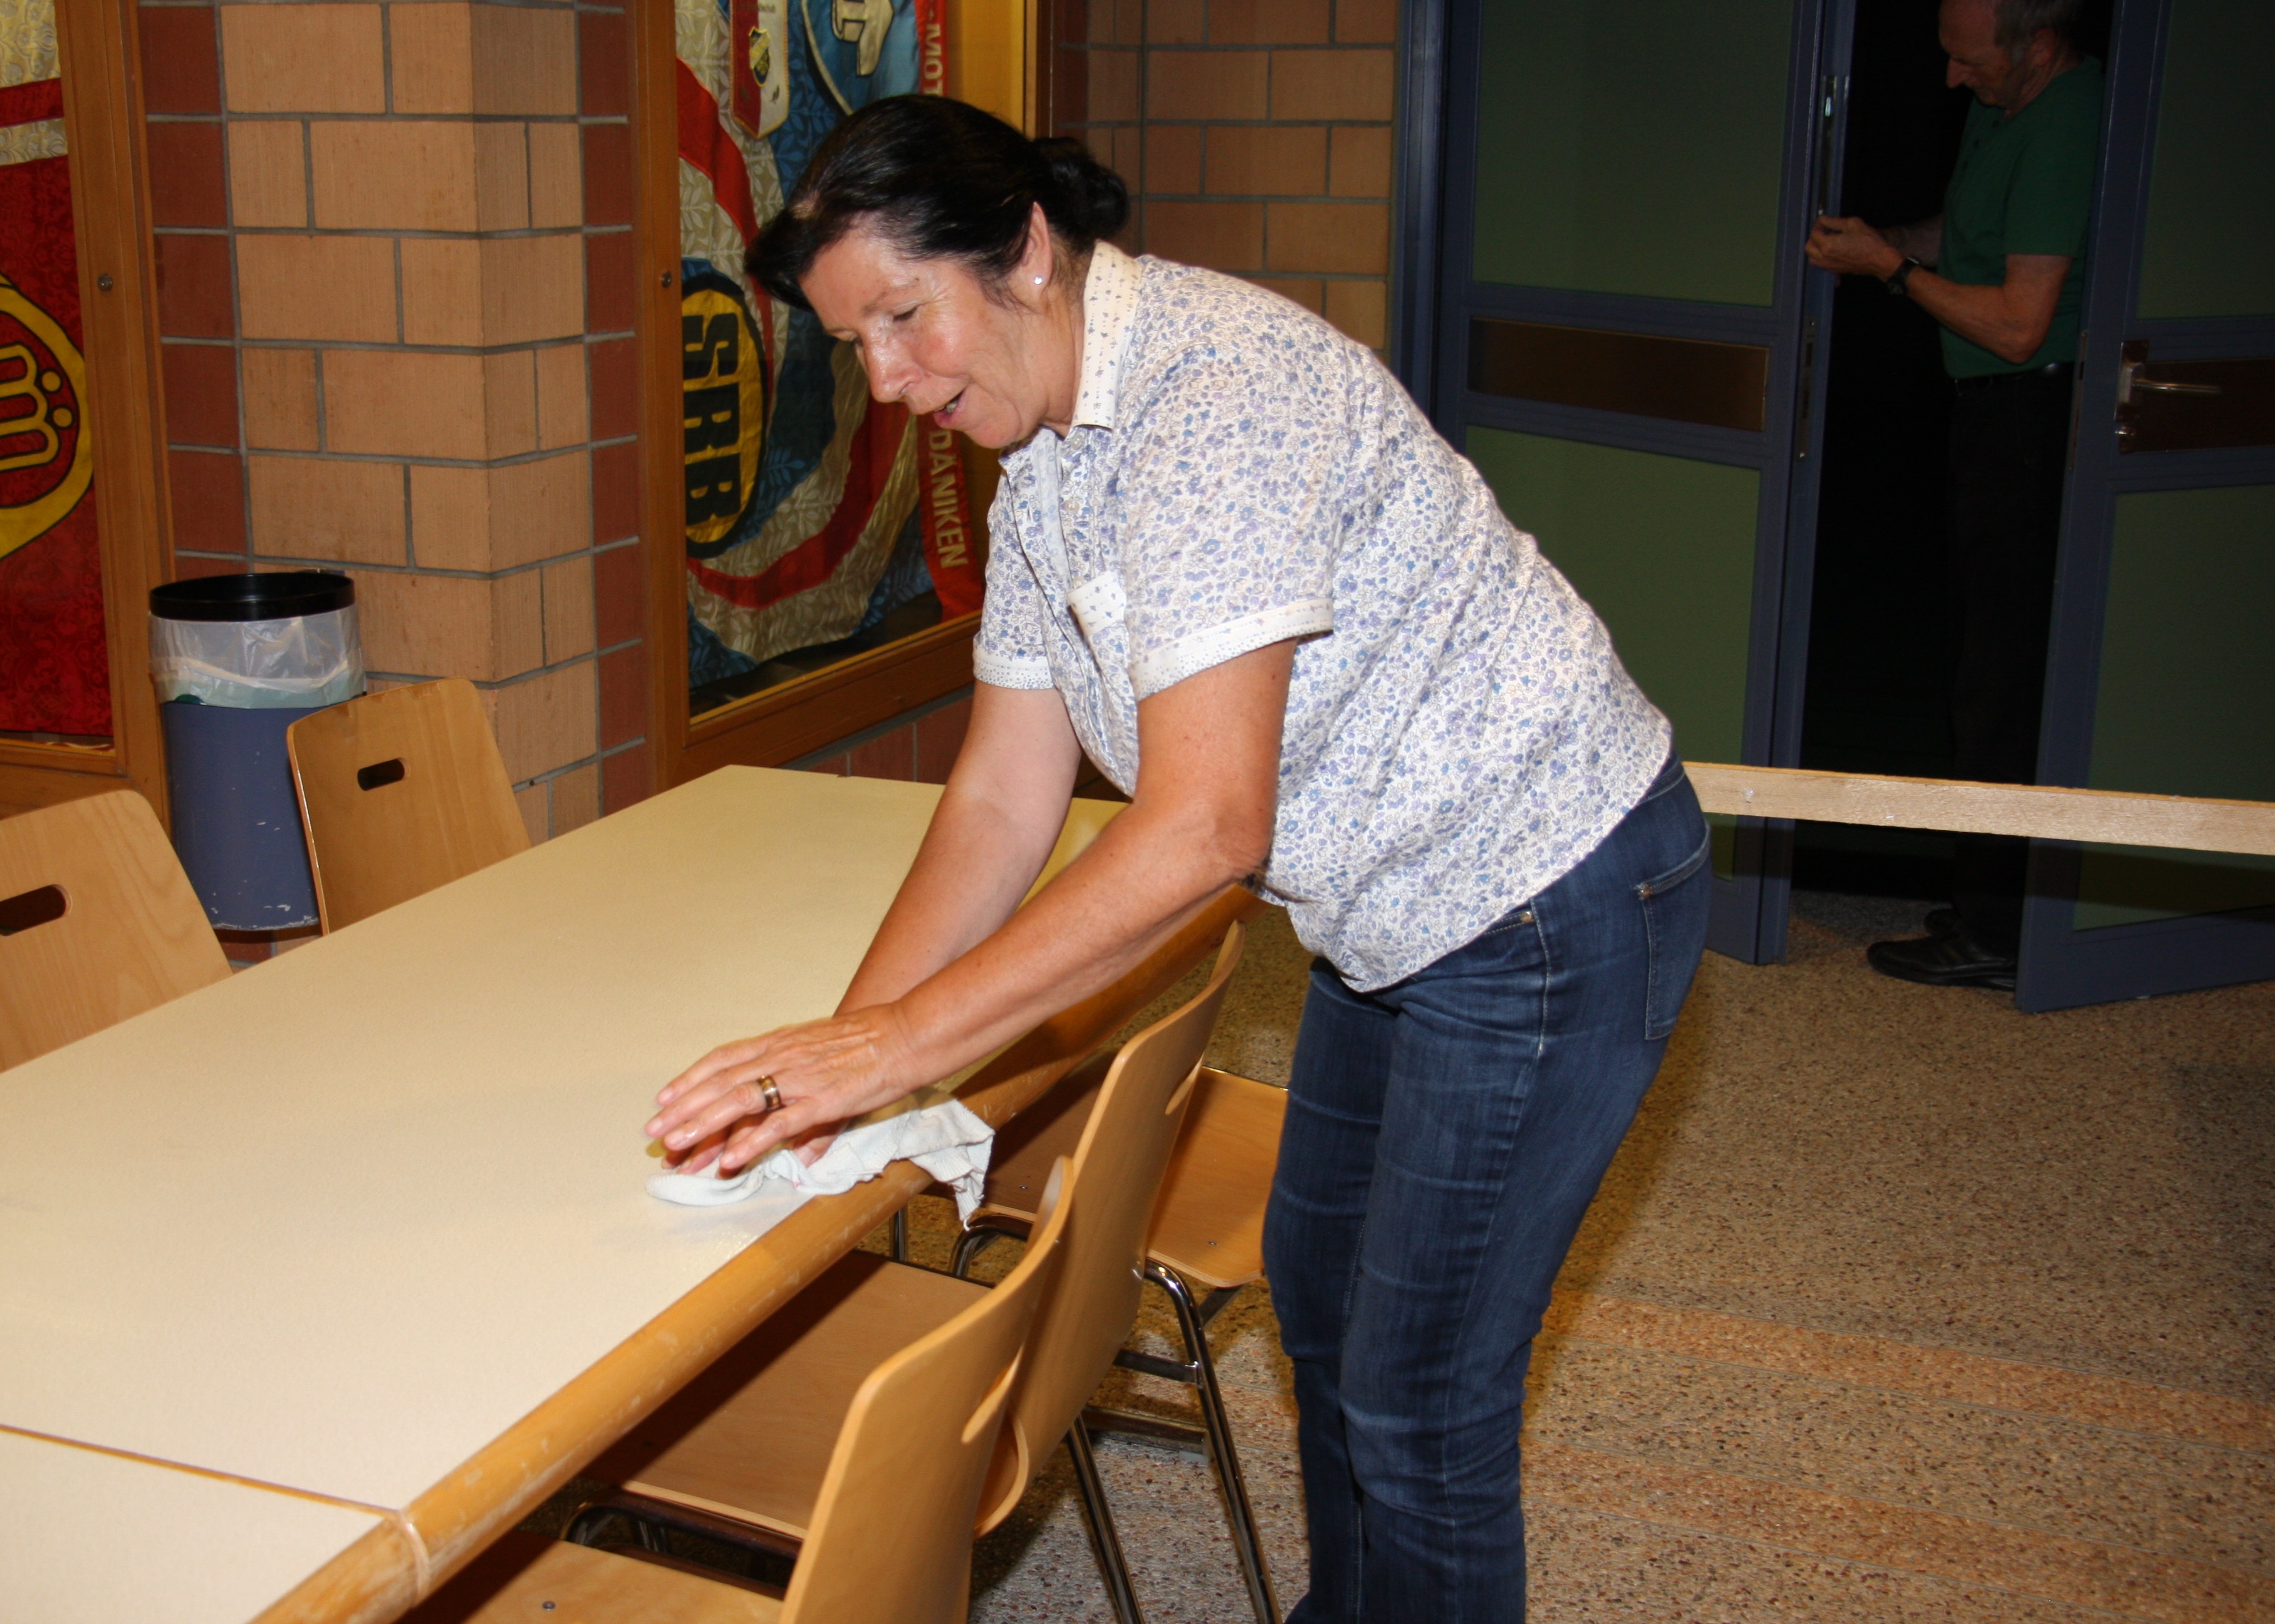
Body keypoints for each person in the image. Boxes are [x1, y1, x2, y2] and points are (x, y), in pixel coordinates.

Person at [641, 95, 1710, 1622]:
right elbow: (1000, 799)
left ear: (1025, 251)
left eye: (903, 316)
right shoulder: (1043, 454)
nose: (884, 379)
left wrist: (899, 1049)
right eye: (851, 344)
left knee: (1421, 1404)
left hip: (1544, 892)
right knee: (1326, 1314)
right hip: (1388, 909)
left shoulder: (1218, 396)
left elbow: (1209, 828)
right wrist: (840, 1063)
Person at [1806, 0, 2101, 991]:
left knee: (2005, 681)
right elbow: (1968, 236)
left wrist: (1891, 271)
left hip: (2037, 418)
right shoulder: (2004, 105)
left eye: (1969, 60)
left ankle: (1999, 929)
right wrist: (1880, 242)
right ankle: (1987, 898)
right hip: (1990, 419)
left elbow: (2019, 324)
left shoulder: (2068, 121)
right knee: (1979, 661)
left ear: (2041, 45)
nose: (1951, 79)